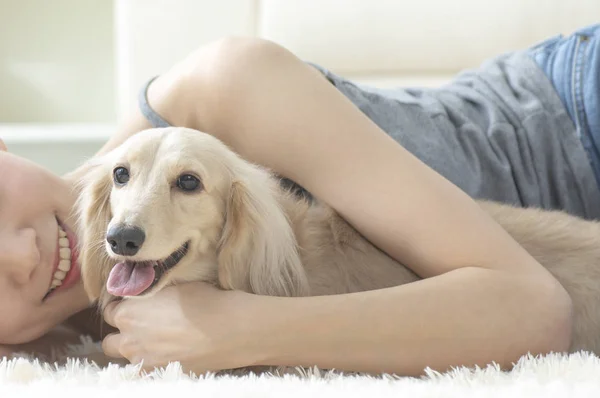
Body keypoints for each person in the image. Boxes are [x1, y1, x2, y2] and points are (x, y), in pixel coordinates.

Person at [1, 23, 599, 377]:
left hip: (575, 111)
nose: (22, 254)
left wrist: (244, 329)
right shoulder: (61, 327)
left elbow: (536, 310)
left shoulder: (217, 90)